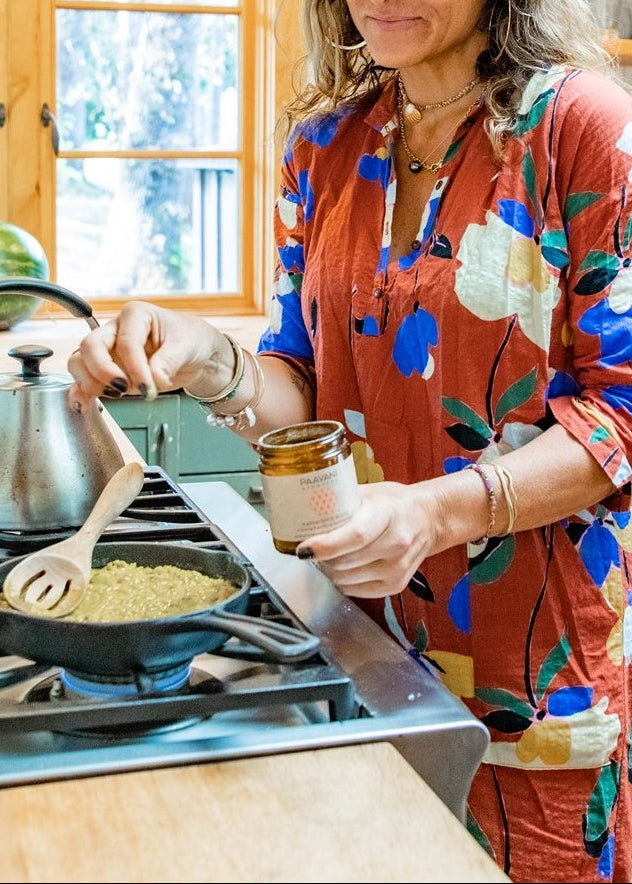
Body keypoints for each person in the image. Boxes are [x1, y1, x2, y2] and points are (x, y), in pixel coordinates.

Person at [68, 1, 632, 880]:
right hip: (359, 658)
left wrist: (439, 514)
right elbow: (303, 391)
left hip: (534, 686)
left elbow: (620, 413)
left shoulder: (583, 130)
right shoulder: (326, 146)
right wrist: (209, 359)